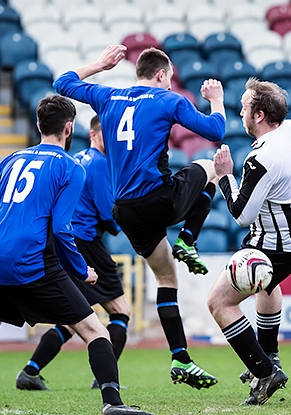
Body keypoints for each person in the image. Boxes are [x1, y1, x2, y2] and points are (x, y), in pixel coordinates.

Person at [0, 95, 163, 415]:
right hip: (31, 262)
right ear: (69, 128)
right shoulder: (69, 167)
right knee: (94, 330)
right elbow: (63, 230)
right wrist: (82, 271)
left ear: (38, 125)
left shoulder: (10, 160)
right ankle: (112, 404)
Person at [53, 44, 225, 389]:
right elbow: (215, 130)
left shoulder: (109, 97)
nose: (169, 83)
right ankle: (188, 240)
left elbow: (63, 82)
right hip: (157, 199)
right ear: (161, 74)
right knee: (211, 167)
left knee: (167, 279)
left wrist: (100, 65)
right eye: (169, 78)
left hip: (126, 210)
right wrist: (216, 98)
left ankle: (181, 358)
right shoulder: (168, 99)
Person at [207, 77, 291, 405]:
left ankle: (264, 372)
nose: (240, 112)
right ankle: (271, 357)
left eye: (245, 107)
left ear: (259, 115)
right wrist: (290, 183)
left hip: (275, 242)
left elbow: (241, 214)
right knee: (267, 284)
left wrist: (224, 176)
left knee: (219, 303)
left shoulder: (261, 158)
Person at [15, 115, 133, 391]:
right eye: (108, 135)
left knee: (73, 318)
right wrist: (126, 225)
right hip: (86, 242)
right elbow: (107, 211)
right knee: (120, 311)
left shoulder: (77, 158)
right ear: (93, 134)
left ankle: (31, 371)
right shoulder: (100, 163)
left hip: (63, 240)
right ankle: (106, 380)